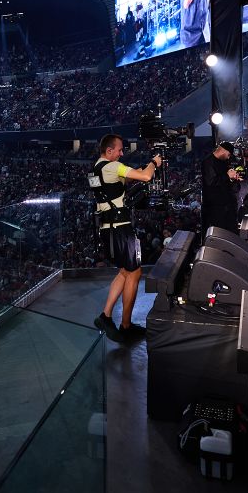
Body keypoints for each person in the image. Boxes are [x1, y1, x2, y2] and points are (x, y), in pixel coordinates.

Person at [90, 133, 163, 343]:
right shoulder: (113, 167)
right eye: (119, 150)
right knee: (134, 272)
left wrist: (144, 169)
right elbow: (146, 177)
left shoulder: (98, 168)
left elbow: (132, 175)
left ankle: (106, 316)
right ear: (109, 151)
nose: (122, 154)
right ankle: (126, 326)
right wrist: (154, 163)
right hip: (120, 228)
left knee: (125, 271)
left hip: (109, 227)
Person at [201, 141, 242, 234]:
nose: (228, 157)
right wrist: (228, 176)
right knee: (220, 232)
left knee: (231, 230)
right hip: (216, 206)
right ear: (223, 151)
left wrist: (233, 179)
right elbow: (211, 182)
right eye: (228, 154)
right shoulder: (208, 162)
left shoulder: (224, 162)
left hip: (227, 203)